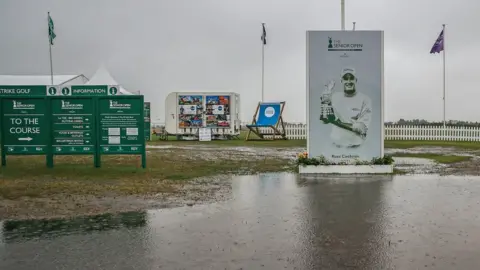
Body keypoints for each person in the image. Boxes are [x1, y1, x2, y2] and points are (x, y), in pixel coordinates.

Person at [319, 67, 372, 148]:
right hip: (335, 145)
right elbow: (324, 120)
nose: (349, 81)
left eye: (351, 78)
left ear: (356, 80)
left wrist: (336, 122)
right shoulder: (334, 97)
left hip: (356, 147)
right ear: (341, 81)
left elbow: (361, 128)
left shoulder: (365, 99)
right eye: (345, 79)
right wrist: (325, 96)